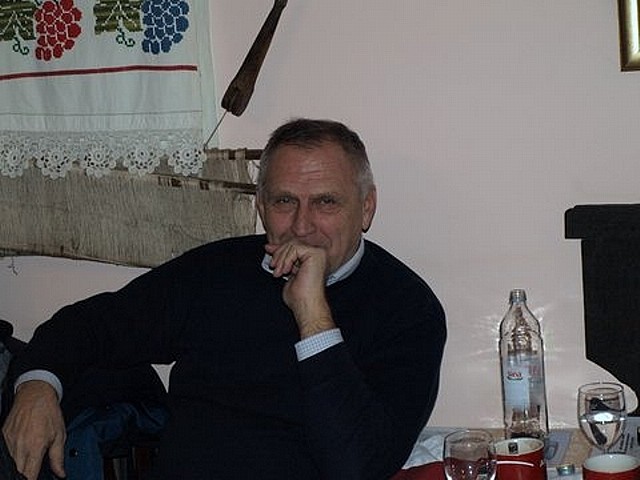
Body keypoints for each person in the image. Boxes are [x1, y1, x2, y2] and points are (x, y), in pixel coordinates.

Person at [2, 118, 447, 480]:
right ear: (260, 206)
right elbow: (94, 325)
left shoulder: (408, 310)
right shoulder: (216, 271)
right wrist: (38, 386)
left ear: (366, 207)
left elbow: (358, 466)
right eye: (284, 201)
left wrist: (313, 316)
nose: (302, 226)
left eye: (326, 202)